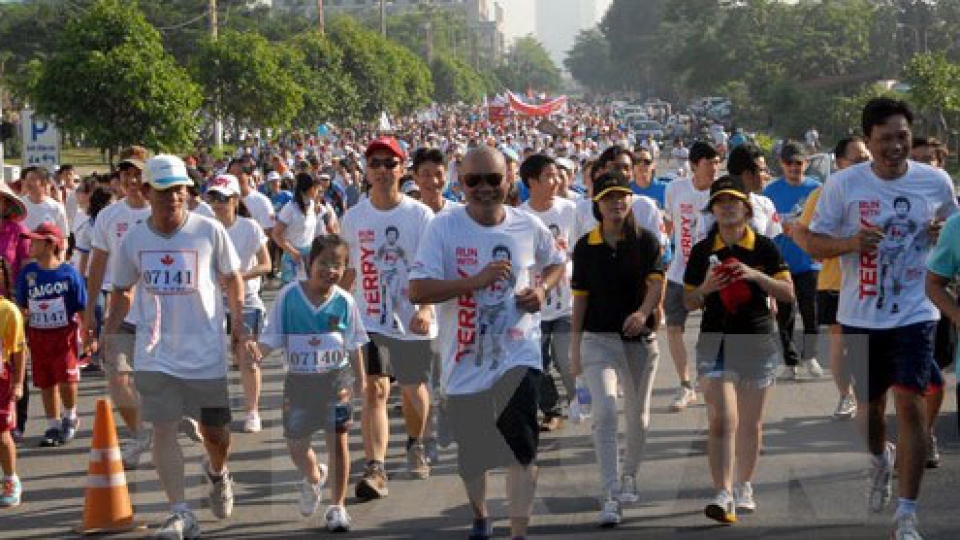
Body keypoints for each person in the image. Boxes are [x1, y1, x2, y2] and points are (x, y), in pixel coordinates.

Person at [807, 97, 957, 540]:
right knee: (871, 411)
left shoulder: (935, 181)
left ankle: (907, 514)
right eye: (885, 138)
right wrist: (852, 243)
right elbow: (814, 243)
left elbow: (953, 233)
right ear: (869, 142)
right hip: (861, 314)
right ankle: (879, 460)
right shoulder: (844, 185)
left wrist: (939, 234)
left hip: (916, 311)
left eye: (902, 137)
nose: (896, 146)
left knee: (909, 406)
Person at [409, 146, 564, 540]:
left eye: (493, 180)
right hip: (465, 359)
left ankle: (518, 533)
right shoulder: (443, 228)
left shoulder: (526, 225)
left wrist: (542, 290)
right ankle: (480, 515)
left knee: (521, 447)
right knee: (472, 461)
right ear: (460, 183)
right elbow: (417, 289)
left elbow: (555, 262)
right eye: (473, 180)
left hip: (518, 351)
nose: (484, 188)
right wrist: (473, 282)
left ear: (507, 180)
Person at [105, 154, 254, 538]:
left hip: (205, 352)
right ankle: (180, 511)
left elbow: (234, 278)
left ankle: (218, 472)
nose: (173, 197)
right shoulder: (134, 239)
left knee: (216, 435)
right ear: (146, 191)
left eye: (179, 190)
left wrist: (238, 323)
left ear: (187, 191)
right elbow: (122, 288)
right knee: (163, 429)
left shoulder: (208, 231)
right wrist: (109, 331)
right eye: (165, 190)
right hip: (155, 353)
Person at [683, 175, 795, 525]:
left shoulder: (763, 247)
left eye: (734, 201)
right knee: (723, 418)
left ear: (747, 208)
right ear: (712, 210)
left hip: (757, 340)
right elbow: (687, 301)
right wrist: (705, 287)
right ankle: (723, 491)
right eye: (720, 202)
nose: (727, 207)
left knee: (751, 423)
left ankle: (745, 485)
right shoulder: (703, 250)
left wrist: (756, 277)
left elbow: (788, 293)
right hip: (714, 340)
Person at [341, 137, 436, 494]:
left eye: (389, 163)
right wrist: (334, 309)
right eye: (375, 163)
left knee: (413, 389)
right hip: (370, 319)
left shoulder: (419, 215)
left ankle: (416, 443)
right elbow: (348, 272)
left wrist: (426, 308)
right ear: (366, 171)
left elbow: (433, 267)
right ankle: (375, 468)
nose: (382, 170)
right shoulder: (353, 217)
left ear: (401, 168)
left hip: (412, 319)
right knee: (375, 389)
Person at [569, 171, 664, 527]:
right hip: (598, 340)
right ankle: (609, 493)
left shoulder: (646, 240)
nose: (617, 202)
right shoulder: (585, 245)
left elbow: (656, 284)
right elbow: (580, 299)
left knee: (637, 416)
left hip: (639, 341)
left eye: (622, 195)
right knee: (606, 411)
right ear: (597, 203)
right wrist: (574, 348)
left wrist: (643, 312)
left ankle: (629, 475)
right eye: (609, 197)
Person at [256, 235, 367, 533]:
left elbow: (354, 343)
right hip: (299, 383)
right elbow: (272, 336)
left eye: (338, 265)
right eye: (324, 263)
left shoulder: (344, 301)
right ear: (309, 263)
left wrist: (361, 380)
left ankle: (337, 507)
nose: (330, 270)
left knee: (338, 441)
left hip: (336, 380)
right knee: (296, 445)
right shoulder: (289, 296)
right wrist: (257, 351)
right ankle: (314, 476)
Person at [81, 146, 157, 469]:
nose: (132, 179)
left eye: (139, 173)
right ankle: (140, 433)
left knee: (159, 381)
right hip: (120, 312)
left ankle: (175, 416)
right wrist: (88, 314)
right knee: (117, 378)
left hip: (160, 312)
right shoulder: (109, 217)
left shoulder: (162, 212)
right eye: (127, 173)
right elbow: (97, 266)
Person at [793, 137, 872, 420]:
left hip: (871, 282)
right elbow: (800, 232)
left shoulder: (882, 191)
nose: (865, 163)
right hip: (834, 283)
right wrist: (818, 251)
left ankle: (870, 398)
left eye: (867, 157)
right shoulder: (824, 194)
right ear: (839, 163)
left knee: (869, 345)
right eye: (857, 159)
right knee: (840, 344)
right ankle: (845, 396)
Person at [206, 174, 271, 433]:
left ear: (235, 200)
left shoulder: (249, 228)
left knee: (247, 356)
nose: (218, 204)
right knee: (213, 358)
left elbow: (266, 264)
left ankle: (252, 411)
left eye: (223, 198)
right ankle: (213, 410)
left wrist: (238, 277)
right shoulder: (205, 228)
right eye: (213, 198)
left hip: (248, 300)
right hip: (213, 302)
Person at [14, 223, 87, 447]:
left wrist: (87, 334)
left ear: (50, 244)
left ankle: (70, 416)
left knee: (66, 379)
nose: (30, 245)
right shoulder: (28, 273)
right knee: (45, 382)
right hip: (38, 336)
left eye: (35, 241)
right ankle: (53, 424)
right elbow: (22, 305)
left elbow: (81, 306)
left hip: (64, 336)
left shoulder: (69, 273)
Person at [519, 154, 577, 432]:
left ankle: (578, 399)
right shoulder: (519, 217)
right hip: (533, 306)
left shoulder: (571, 209)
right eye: (548, 177)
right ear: (531, 182)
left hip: (567, 302)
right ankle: (551, 410)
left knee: (567, 360)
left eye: (557, 175)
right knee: (538, 363)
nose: (556, 182)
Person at [663, 141, 720, 412]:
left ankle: (711, 382)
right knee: (674, 327)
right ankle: (685, 385)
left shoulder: (720, 193)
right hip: (678, 272)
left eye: (717, 163)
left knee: (712, 332)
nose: (714, 169)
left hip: (711, 277)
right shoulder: (675, 188)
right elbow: (670, 226)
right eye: (710, 164)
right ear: (694, 165)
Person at [763, 141, 823, 379]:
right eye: (789, 163)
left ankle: (811, 356)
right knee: (784, 315)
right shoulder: (771, 192)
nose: (794, 168)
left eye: (798, 163)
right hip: (781, 264)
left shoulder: (817, 189)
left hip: (809, 262)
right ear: (781, 165)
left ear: (806, 164)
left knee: (811, 313)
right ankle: (790, 362)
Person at [910, 136, 952, 469]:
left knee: (936, 371)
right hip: (908, 301)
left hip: (940, 302)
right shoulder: (896, 192)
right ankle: (920, 437)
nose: (926, 164)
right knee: (921, 375)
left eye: (931, 159)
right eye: (918, 158)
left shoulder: (945, 195)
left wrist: (944, 234)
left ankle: (926, 430)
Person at [0, 183, 29, 443]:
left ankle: (16, 419)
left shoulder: (17, 231)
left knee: (16, 358)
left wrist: (23, 302)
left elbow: (27, 268)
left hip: (12, 304)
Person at [273, 173, 323, 285]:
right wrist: (293, 252)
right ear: (307, 189)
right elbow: (276, 234)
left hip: (309, 256)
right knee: (292, 293)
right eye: (315, 188)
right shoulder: (289, 208)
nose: (318, 191)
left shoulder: (312, 205)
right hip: (293, 258)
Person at [0, 293, 25, 507]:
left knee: (2, 435)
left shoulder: (8, 311)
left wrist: (18, 383)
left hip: (2, 381)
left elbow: (18, 350)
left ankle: (10, 479)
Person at [19, 167, 69, 236]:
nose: (27, 183)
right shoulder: (18, 205)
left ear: (44, 183)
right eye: (26, 179)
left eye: (32, 179)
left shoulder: (57, 207)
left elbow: (64, 237)